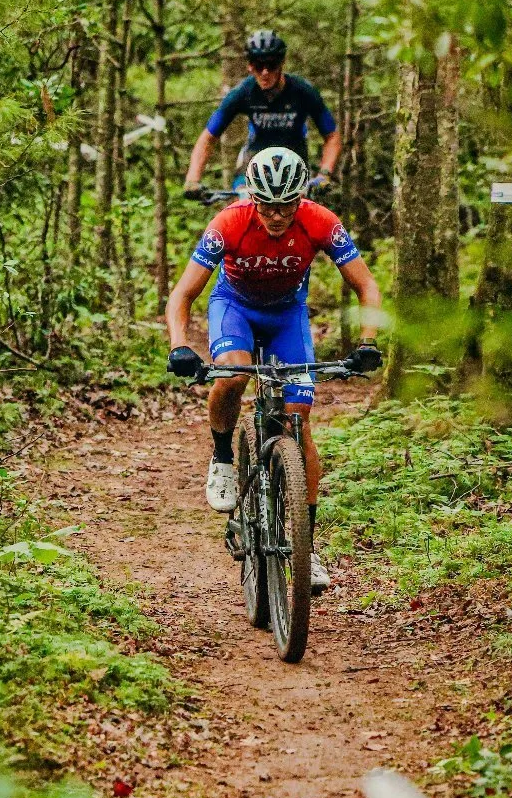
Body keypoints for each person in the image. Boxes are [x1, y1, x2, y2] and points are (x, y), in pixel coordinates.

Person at [164, 145, 384, 593]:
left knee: (298, 422)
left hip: (288, 315)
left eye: (286, 205)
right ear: (252, 198)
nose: (277, 215)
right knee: (234, 375)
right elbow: (181, 295)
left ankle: (307, 545)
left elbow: (366, 285)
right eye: (267, 204)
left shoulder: (321, 221)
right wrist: (180, 345)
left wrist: (368, 343)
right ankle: (224, 456)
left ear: (300, 200)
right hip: (235, 308)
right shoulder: (228, 222)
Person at [182, 28, 341, 198]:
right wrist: (193, 179)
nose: (265, 72)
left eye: (271, 65)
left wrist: (324, 174)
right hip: (254, 158)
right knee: (242, 203)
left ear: (282, 63)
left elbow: (332, 136)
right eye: (258, 66)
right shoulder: (243, 92)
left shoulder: (302, 91)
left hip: (293, 159)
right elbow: (208, 138)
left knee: (298, 210)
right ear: (250, 66)